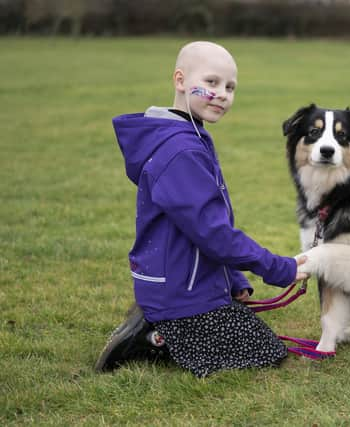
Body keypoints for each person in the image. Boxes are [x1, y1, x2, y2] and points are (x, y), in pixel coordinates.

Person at [95, 41, 307, 377]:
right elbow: (214, 233)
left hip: (186, 284)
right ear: (180, 80)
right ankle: (153, 338)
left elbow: (204, 225)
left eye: (230, 87)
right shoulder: (181, 150)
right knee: (265, 352)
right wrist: (279, 268)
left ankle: (163, 322)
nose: (222, 94)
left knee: (257, 338)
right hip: (179, 295)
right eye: (211, 82)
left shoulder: (189, 135)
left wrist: (234, 279)